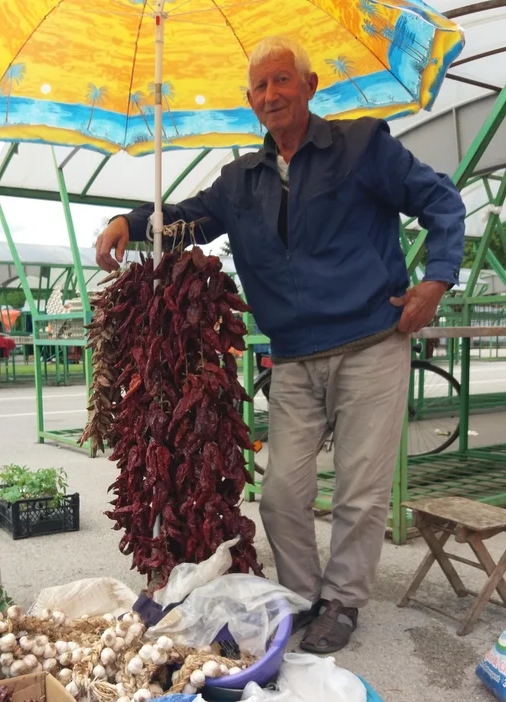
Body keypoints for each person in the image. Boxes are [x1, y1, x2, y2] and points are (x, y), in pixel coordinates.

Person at [96, 36, 465, 654]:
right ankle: (305, 597)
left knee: (360, 487)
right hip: (293, 355)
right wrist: (128, 224)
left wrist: (437, 279)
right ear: (250, 101)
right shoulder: (240, 180)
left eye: (282, 81)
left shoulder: (362, 146)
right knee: (281, 493)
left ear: (310, 85)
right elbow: (185, 216)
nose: (271, 95)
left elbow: (441, 200)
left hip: (373, 340)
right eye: (260, 88)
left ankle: (343, 603)